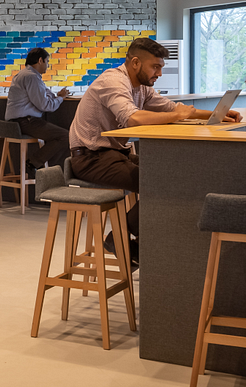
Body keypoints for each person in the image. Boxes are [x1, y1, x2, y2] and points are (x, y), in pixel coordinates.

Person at [69, 38, 242, 263]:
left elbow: (173, 108)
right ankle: (120, 239)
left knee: (174, 175)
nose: (159, 73)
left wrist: (215, 115)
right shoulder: (112, 81)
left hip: (115, 155)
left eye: (161, 67)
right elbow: (132, 118)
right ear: (135, 63)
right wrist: (177, 115)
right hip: (91, 158)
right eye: (156, 67)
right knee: (161, 183)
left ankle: (133, 244)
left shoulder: (142, 89)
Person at [5, 47, 71, 169]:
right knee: (65, 136)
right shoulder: (31, 77)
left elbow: (47, 95)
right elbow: (46, 105)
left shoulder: (24, 74)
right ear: (40, 60)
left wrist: (57, 96)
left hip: (16, 123)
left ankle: (41, 167)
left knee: (62, 136)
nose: (47, 66)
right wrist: (61, 98)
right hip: (26, 121)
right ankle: (36, 165)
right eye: (47, 62)